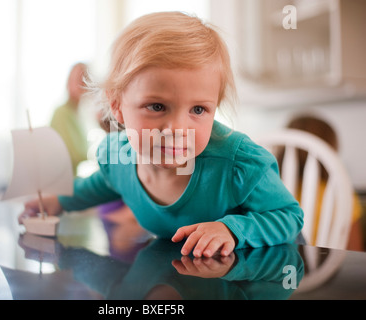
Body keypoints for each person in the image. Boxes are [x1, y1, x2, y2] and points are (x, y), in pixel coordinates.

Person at [20, 12, 303, 258]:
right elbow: (99, 185)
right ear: (117, 106)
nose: (178, 130)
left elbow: (289, 217)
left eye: (199, 109)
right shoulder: (118, 157)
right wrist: (59, 201)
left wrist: (233, 230)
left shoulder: (237, 164)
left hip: (250, 278)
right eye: (157, 106)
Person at [281, 115, 364, 251]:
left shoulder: (270, 187)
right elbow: (354, 248)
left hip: (275, 265)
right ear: (331, 147)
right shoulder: (340, 192)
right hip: (324, 266)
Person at [50, 62, 89, 175]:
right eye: (78, 79)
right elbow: (76, 154)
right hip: (58, 180)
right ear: (68, 82)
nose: (81, 84)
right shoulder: (61, 113)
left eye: (85, 79)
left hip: (72, 178)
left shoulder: (79, 114)